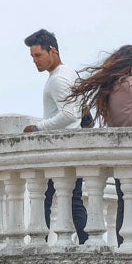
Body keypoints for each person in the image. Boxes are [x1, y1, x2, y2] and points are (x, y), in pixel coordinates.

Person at [68, 45, 132, 246]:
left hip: (122, 156)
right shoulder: (130, 84)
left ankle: (125, 245)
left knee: (127, 202)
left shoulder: (111, 87)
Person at [22, 29, 88, 243]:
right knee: (72, 199)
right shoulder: (70, 73)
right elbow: (83, 111)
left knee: (43, 197)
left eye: (38, 55)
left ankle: (40, 243)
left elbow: (69, 114)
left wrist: (39, 128)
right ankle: (88, 241)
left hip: (58, 150)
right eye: (32, 57)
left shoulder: (57, 80)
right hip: (71, 147)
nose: (35, 61)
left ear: (53, 51)